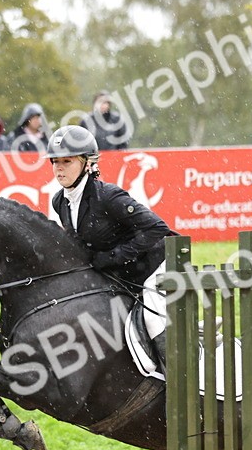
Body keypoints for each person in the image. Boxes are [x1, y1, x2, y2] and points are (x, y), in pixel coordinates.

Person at [48, 124, 169, 344]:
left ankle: (175, 374)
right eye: (55, 161)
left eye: (67, 161)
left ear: (87, 163)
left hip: (153, 265)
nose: (59, 168)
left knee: (152, 322)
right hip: (117, 273)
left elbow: (157, 228)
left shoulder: (108, 196)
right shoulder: (59, 201)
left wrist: (112, 256)